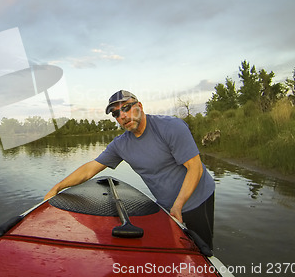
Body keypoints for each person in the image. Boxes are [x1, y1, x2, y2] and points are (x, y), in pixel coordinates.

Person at [44, 90, 216, 249]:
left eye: (126, 108)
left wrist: (178, 205)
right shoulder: (121, 145)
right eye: (116, 113)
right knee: (170, 250)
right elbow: (90, 169)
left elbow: (195, 168)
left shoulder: (170, 127)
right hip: (165, 207)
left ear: (139, 107)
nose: (123, 116)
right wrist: (57, 187)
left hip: (197, 200)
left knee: (202, 249)